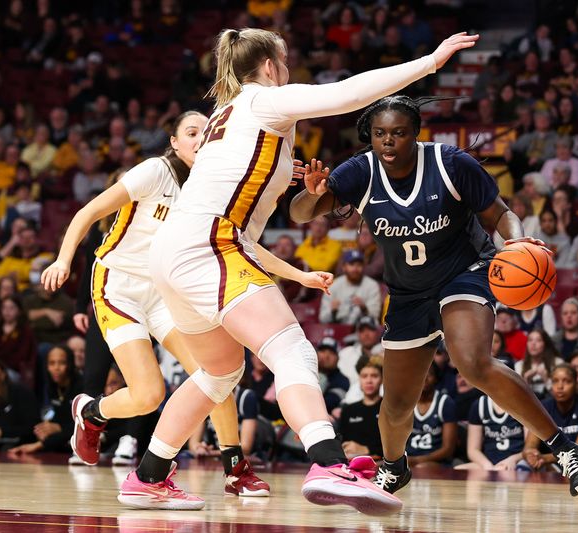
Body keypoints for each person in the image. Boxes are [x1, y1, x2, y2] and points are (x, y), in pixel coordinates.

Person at [120, 28, 482, 514]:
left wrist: (284, 174)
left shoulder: (222, 115)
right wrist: (430, 62)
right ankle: (329, 460)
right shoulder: (263, 99)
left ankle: (148, 476)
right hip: (210, 243)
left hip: (174, 252)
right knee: (292, 349)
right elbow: (348, 93)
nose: (287, 71)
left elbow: (234, 175)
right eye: (284, 62)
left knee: (220, 371)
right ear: (270, 66)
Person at [291, 95, 578, 497]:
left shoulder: (451, 163)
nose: (388, 142)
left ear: (416, 134)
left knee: (472, 362)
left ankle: (565, 449)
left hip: (464, 273)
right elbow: (299, 213)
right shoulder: (361, 171)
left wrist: (516, 240)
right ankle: (394, 466)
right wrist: (313, 194)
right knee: (396, 404)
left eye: (398, 133)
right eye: (380, 134)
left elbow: (500, 214)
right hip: (407, 294)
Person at [41, 112, 292, 497]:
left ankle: (235, 468)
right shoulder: (154, 172)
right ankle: (91, 413)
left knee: (216, 373)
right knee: (149, 395)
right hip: (118, 285)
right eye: (191, 133)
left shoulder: (213, 188)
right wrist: (62, 259)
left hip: (166, 290)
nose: (199, 139)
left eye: (206, 133)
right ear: (174, 143)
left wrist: (298, 274)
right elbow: (88, 212)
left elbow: (246, 243)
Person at [520, 365, 578, 473]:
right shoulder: (543, 407)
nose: (560, 386)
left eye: (567, 381)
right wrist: (531, 454)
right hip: (550, 466)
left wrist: (544, 458)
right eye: (555, 381)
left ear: (576, 384)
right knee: (522, 465)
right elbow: (530, 444)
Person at [8, 345, 82, 455]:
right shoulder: (52, 386)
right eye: (52, 363)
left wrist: (58, 428)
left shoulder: (82, 386)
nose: (56, 368)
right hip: (64, 437)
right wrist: (45, 429)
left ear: (70, 364)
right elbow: (60, 417)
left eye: (61, 363)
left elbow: (83, 424)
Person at [405, 362, 457, 467]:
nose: (425, 377)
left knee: (420, 468)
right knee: (377, 467)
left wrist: (417, 460)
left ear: (436, 378)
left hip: (437, 461)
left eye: (429, 374)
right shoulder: (406, 402)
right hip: (408, 458)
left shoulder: (445, 403)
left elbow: (448, 449)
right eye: (420, 374)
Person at [456, 394, 525, 471]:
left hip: (515, 462)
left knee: (504, 473)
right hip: (488, 462)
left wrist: (513, 460)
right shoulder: (480, 405)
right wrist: (488, 466)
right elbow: (473, 450)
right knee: (458, 470)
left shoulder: (523, 404)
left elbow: (529, 449)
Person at [318, 249, 382, 325]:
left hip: (360, 330)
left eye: (359, 265)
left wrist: (364, 308)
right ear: (344, 267)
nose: (355, 269)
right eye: (351, 264)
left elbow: (375, 318)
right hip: (338, 328)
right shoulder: (333, 285)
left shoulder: (372, 285)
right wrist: (332, 311)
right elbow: (322, 318)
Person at [339, 355, 384, 459]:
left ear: (382, 379)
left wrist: (366, 449)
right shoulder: (348, 411)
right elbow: (341, 443)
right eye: (364, 376)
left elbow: (398, 447)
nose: (369, 381)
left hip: (381, 465)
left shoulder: (390, 410)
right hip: (350, 464)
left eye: (374, 376)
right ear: (359, 379)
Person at [515, 329, 565, 398]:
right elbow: (519, 398)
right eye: (530, 340)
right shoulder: (519, 365)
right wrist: (526, 381)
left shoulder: (557, 362)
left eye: (538, 340)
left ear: (545, 344)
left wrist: (546, 380)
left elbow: (562, 396)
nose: (533, 344)